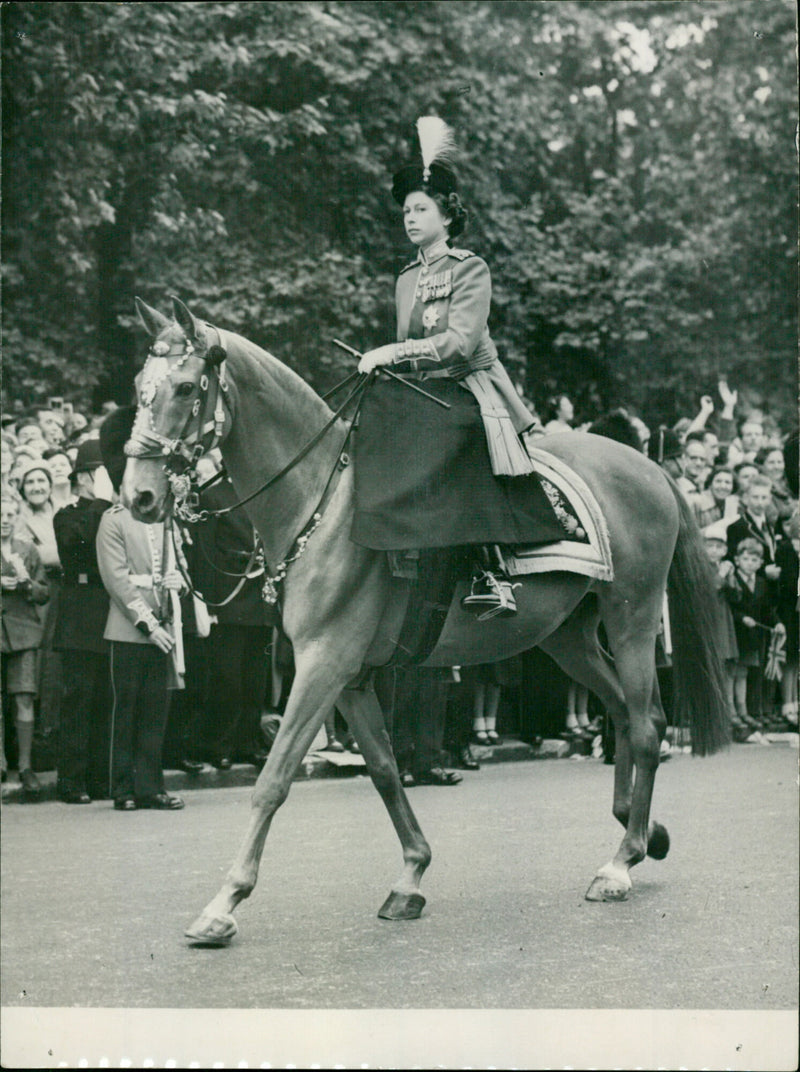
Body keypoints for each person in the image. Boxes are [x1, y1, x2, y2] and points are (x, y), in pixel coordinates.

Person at [353, 116, 565, 619]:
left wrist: (394, 353)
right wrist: (386, 371)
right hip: (425, 390)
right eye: (405, 210)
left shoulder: (469, 267)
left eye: (420, 208)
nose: (410, 217)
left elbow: (457, 342)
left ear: (445, 216)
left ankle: (488, 571)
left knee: (452, 434)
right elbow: (411, 346)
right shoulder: (406, 278)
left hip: (470, 386)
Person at [96, 408, 186, 811]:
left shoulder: (165, 521)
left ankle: (151, 787)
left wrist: (177, 582)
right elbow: (117, 582)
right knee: (127, 710)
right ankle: (122, 789)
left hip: (164, 622)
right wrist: (150, 624)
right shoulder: (112, 522)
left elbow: (179, 567)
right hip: (130, 629)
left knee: (156, 713)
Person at [52, 439, 114, 803]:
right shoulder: (68, 514)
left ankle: (99, 777)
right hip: (79, 614)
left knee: (106, 699)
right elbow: (80, 545)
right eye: (101, 473)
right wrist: (101, 503)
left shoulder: (108, 510)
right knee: (78, 700)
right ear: (85, 478)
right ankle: (71, 780)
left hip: (108, 610)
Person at [1, 495, 50, 796]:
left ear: (16, 517)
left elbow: (44, 592)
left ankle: (26, 766)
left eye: (9, 514)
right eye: (0, 514)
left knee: (24, 699)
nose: (4, 519)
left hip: (23, 634)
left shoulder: (27, 550)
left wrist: (26, 583)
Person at [723, 537, 784, 742]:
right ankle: (731, 712)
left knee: (744, 674)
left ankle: (743, 711)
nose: (750, 563)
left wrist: (777, 623)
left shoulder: (762, 583)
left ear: (760, 563)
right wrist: (742, 618)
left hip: (752, 638)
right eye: (746, 559)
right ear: (737, 560)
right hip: (735, 634)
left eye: (754, 560)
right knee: (731, 673)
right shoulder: (733, 580)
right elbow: (730, 608)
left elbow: (767, 610)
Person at [702, 520, 740, 738]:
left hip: (724, 621)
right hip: (710, 621)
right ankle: (711, 720)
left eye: (719, 547)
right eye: (710, 546)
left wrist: (731, 577)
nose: (715, 551)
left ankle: (724, 717)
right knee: (712, 668)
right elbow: (710, 590)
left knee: (725, 667)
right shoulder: (701, 568)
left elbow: (736, 597)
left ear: (725, 550)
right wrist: (723, 576)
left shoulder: (725, 567)